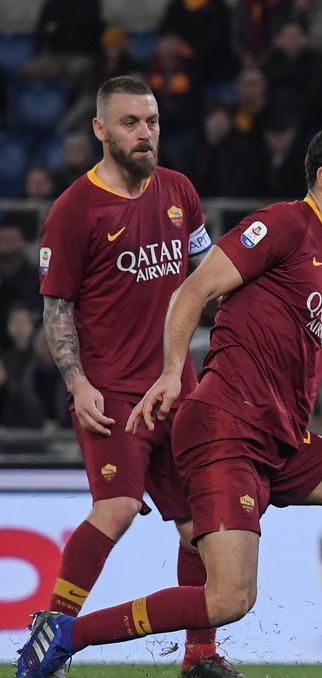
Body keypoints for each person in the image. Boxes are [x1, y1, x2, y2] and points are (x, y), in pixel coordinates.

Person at [17, 124, 322, 678]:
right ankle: (67, 634)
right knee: (231, 598)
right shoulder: (281, 224)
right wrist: (170, 373)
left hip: (282, 437)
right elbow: (193, 289)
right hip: (225, 427)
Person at [28, 77, 234, 678]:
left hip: (178, 387)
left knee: (203, 526)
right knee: (115, 509)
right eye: (130, 123)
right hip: (112, 393)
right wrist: (77, 382)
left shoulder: (179, 191)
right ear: (100, 130)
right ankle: (51, 637)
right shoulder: (74, 210)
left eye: (151, 121)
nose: (145, 134)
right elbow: (57, 307)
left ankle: (200, 657)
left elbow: (206, 272)